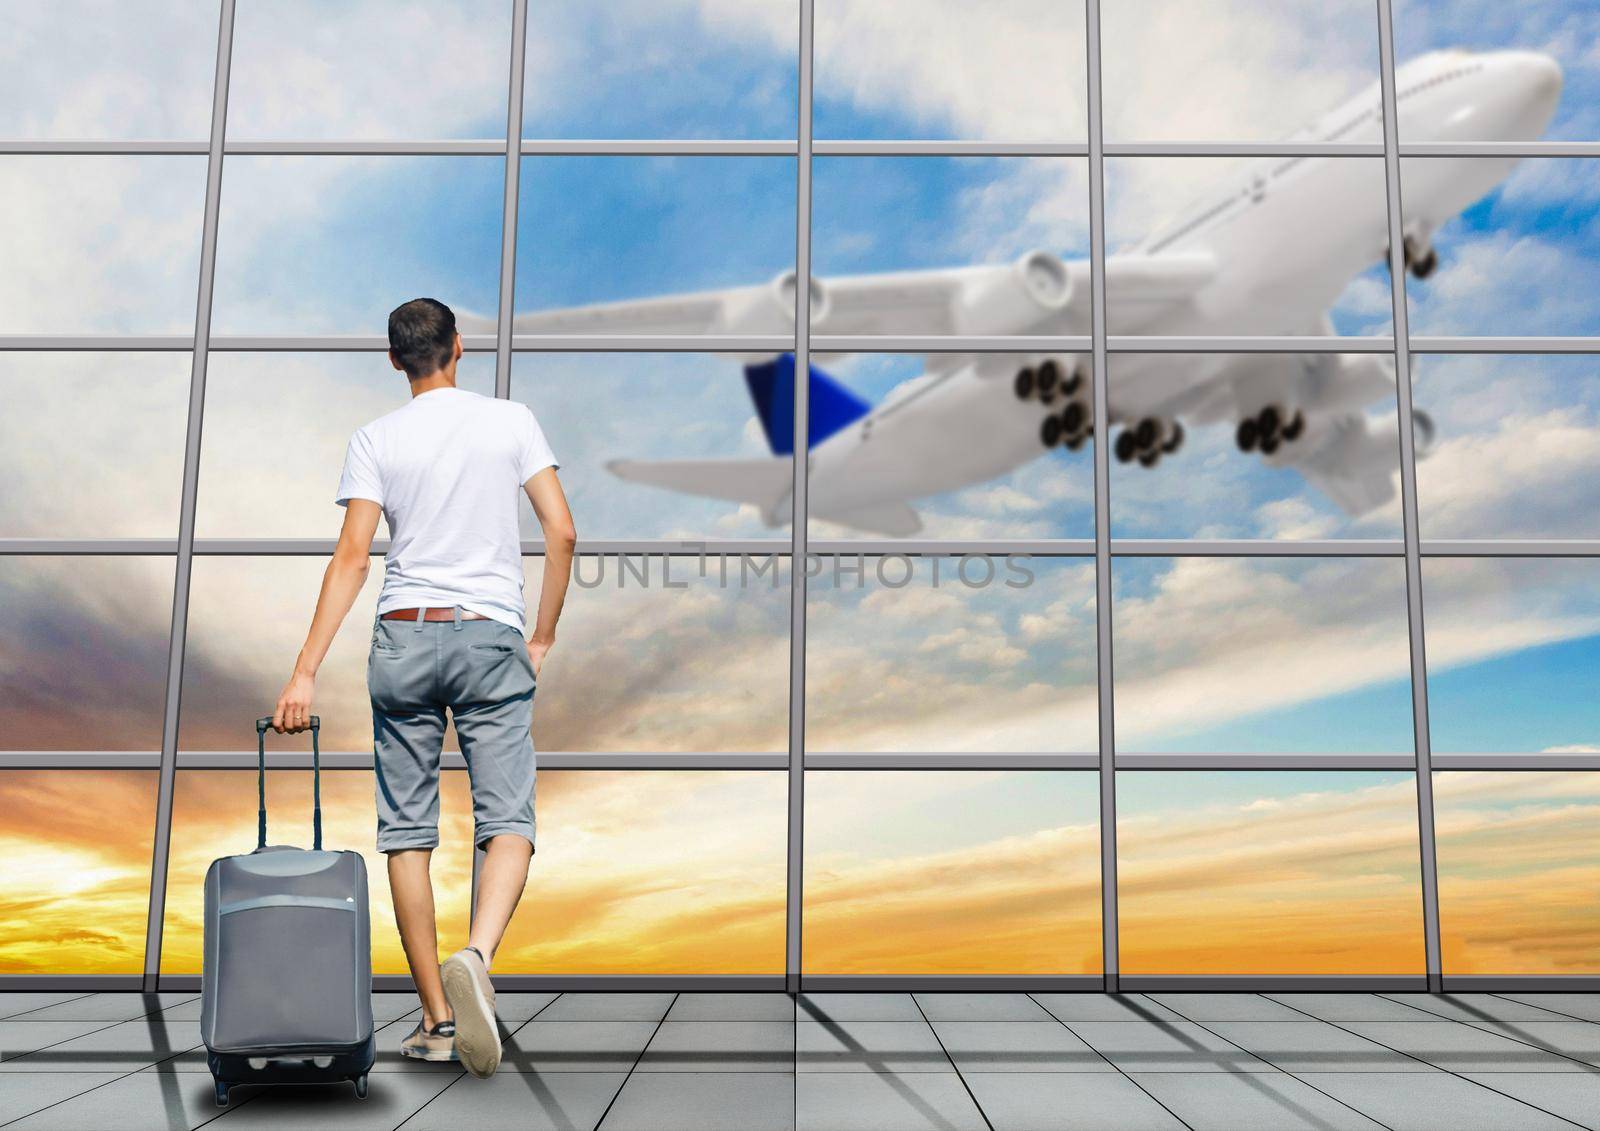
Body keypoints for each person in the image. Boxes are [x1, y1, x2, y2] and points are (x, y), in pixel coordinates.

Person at [270, 297, 575, 1079]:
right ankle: (476, 953)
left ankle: (438, 1018)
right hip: (489, 632)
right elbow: (563, 530)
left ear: (394, 358)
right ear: (459, 347)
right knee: (507, 813)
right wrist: (538, 635)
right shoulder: (510, 420)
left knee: (407, 830)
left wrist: (304, 668)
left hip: (403, 635)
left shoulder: (375, 437)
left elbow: (352, 555)